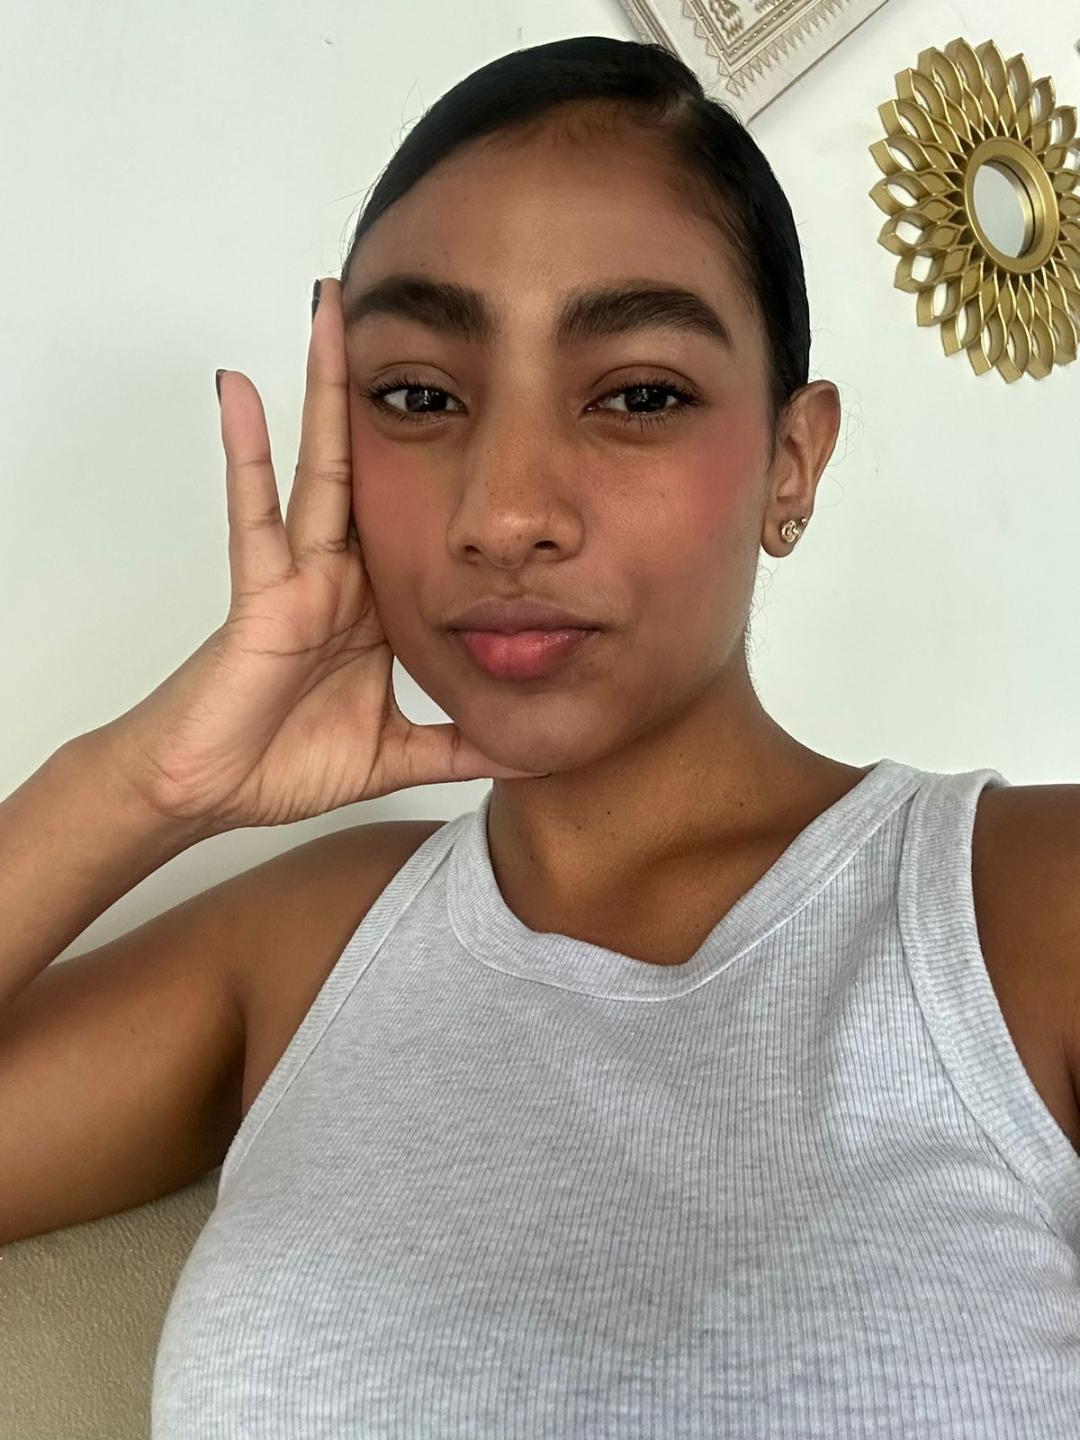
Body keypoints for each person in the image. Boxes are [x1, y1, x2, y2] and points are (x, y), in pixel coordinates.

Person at [2, 34, 1079, 1439]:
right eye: (419, 397)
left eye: (638, 395)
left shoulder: (1025, 909)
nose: (504, 512)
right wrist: (152, 783)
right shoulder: (309, 945)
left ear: (791, 462)